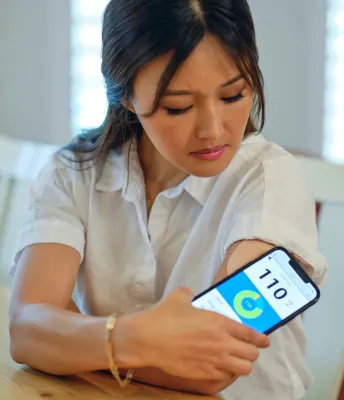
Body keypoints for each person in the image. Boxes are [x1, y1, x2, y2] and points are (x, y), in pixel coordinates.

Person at [8, 0, 327, 398]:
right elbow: (25, 332)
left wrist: (79, 339)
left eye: (232, 96)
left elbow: (212, 368)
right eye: (178, 107)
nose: (213, 130)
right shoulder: (73, 172)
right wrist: (138, 339)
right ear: (124, 96)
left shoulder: (270, 179)